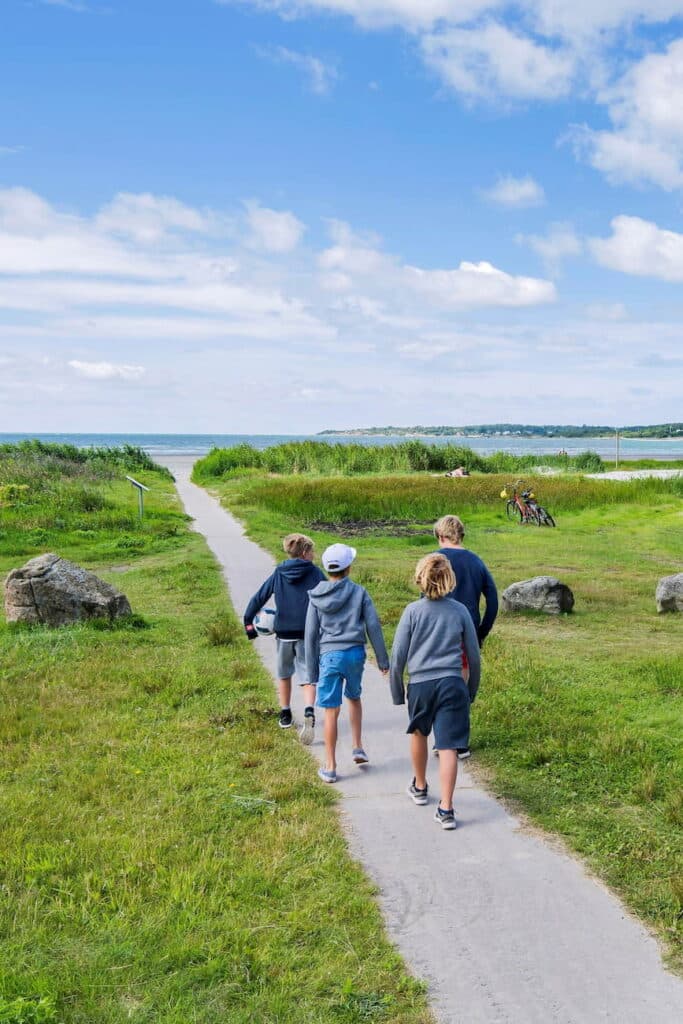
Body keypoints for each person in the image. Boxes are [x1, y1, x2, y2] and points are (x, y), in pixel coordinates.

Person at [390, 553, 481, 830]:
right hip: (453, 683)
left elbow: (398, 657)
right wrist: (471, 691)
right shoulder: (460, 611)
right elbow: (473, 656)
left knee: (419, 733)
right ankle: (446, 808)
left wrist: (397, 692)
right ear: (450, 579)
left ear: (420, 578)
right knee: (448, 745)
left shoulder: (412, 612)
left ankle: (419, 786)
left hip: (421, 684)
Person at [305, 543, 389, 783]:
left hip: (329, 655)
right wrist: (382, 660)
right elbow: (373, 626)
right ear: (349, 568)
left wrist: (311, 671)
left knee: (331, 711)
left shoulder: (316, 596)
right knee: (353, 697)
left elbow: (310, 634)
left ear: (326, 568)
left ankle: (330, 766)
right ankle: (357, 746)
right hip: (354, 654)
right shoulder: (360, 592)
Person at [244, 532, 325, 742]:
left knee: (284, 674)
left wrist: (248, 623)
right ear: (305, 552)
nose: (314, 555)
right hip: (307, 632)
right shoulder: (315, 573)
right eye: (313, 551)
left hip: (284, 633)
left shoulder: (279, 573)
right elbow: (329, 597)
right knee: (309, 676)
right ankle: (309, 710)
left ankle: (285, 713)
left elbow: (259, 597)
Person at [433, 514, 497, 760]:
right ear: (460, 535)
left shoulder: (434, 560)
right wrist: (481, 631)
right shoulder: (475, 561)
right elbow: (493, 600)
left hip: (437, 633)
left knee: (439, 683)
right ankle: (460, 743)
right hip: (466, 633)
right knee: (460, 685)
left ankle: (442, 740)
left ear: (441, 536)